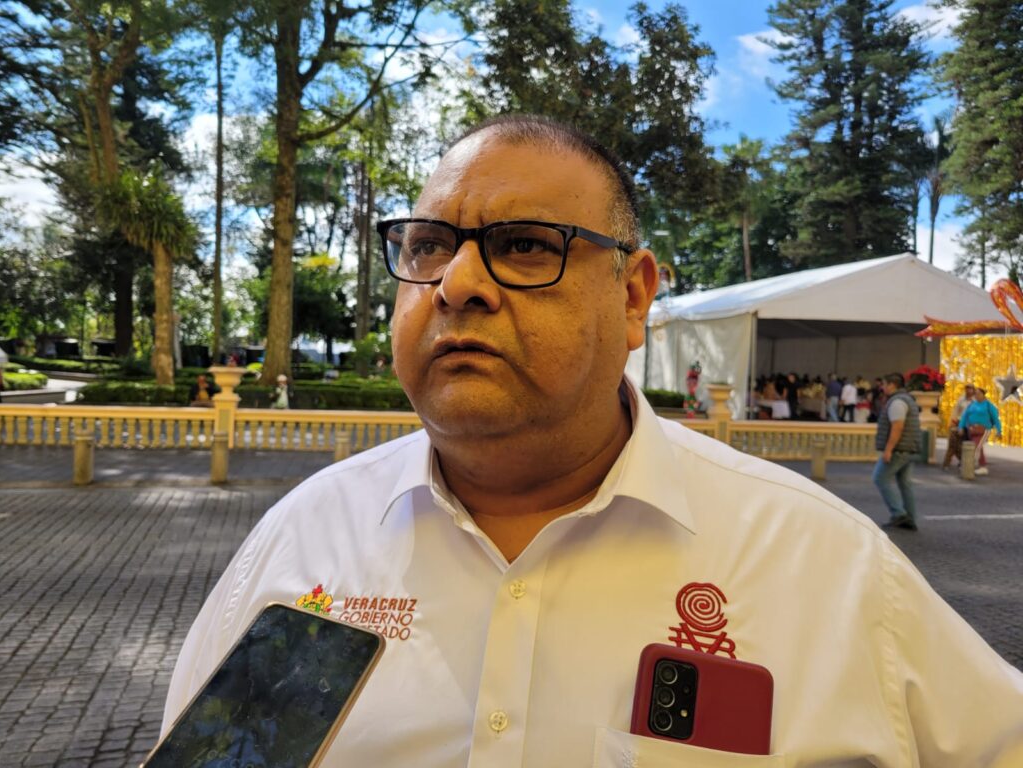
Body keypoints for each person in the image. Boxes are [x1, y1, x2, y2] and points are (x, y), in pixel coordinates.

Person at [162, 116, 1023, 766]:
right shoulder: (302, 539)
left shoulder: (823, 564)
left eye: (524, 246)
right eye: (427, 247)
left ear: (634, 296)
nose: (458, 284)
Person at [872, 373, 921, 531]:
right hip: (909, 448)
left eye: (884, 384)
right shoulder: (907, 400)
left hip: (899, 449)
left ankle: (899, 514)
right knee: (905, 483)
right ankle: (910, 517)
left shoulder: (897, 402)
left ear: (892, 385)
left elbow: (897, 426)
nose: (882, 387)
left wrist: (888, 450)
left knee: (880, 478)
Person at [960, 386, 1003, 475]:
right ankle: (973, 465)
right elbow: (965, 416)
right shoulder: (972, 404)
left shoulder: (988, 405)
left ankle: (981, 466)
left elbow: (995, 418)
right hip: (972, 430)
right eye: (975, 394)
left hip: (984, 430)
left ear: (983, 395)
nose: (977, 395)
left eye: (979, 394)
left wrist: (999, 430)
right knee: (975, 447)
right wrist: (961, 427)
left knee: (977, 446)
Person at [942, 383, 975, 470]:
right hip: (959, 423)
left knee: (966, 446)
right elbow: (955, 411)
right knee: (953, 444)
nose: (969, 391)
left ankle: (964, 462)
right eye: (967, 389)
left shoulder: (975, 401)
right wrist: (953, 422)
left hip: (970, 425)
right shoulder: (961, 400)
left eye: (970, 389)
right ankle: (946, 463)